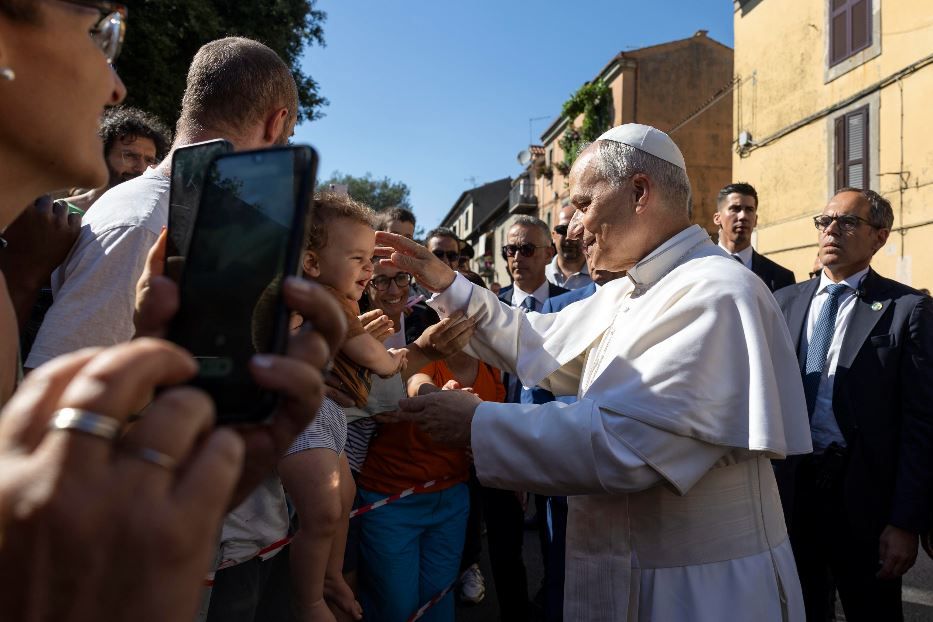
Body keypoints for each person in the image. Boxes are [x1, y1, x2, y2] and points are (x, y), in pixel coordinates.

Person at [375, 123, 812, 620]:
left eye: (583, 205)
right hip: (637, 567)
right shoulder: (637, 287)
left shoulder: (715, 290)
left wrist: (475, 422)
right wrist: (447, 284)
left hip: (700, 587)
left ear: (639, 191)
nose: (574, 228)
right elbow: (535, 342)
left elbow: (629, 444)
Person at [0, 4, 341, 622]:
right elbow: (52, 428)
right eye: (92, 32)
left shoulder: (171, 214)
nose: (115, 85)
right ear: (277, 123)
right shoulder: (147, 224)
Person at [772, 188, 933, 621]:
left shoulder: (907, 309)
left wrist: (905, 523)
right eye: (824, 222)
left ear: (879, 237)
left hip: (866, 504)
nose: (831, 231)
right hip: (792, 495)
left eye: (846, 223)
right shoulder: (783, 303)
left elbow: (922, 423)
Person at [280, 194, 406, 622]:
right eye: (358, 258)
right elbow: (371, 354)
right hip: (304, 416)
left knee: (343, 497)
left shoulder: (334, 300)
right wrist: (395, 360)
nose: (370, 270)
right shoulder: (322, 301)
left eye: (371, 258)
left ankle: (331, 573)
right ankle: (310, 597)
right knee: (322, 507)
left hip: (326, 412)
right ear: (313, 262)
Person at [356, 272, 502, 622]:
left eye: (472, 306)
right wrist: (442, 400)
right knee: (397, 608)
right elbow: (414, 383)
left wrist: (481, 439)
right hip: (392, 497)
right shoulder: (422, 351)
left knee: (438, 606)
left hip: (452, 498)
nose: (461, 317)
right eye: (452, 306)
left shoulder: (495, 365)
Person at [491, 216, 569, 619]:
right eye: (510, 249)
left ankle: (552, 601)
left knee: (559, 542)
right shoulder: (490, 308)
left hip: (556, 443)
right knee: (505, 547)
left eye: (526, 249)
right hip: (503, 443)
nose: (516, 258)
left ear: (548, 253)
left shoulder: (572, 305)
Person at [63, 105, 171, 214]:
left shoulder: (152, 218)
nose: (142, 168)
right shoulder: (58, 214)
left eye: (149, 160)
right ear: (102, 157)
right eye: (130, 156)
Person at [715, 182, 795, 292]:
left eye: (749, 210)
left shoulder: (782, 278)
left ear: (756, 220)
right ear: (717, 218)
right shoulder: (696, 268)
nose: (743, 216)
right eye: (735, 208)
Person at [545, 204, 592, 291]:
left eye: (577, 229)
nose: (569, 237)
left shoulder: (599, 276)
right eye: (563, 230)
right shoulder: (541, 276)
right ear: (553, 236)